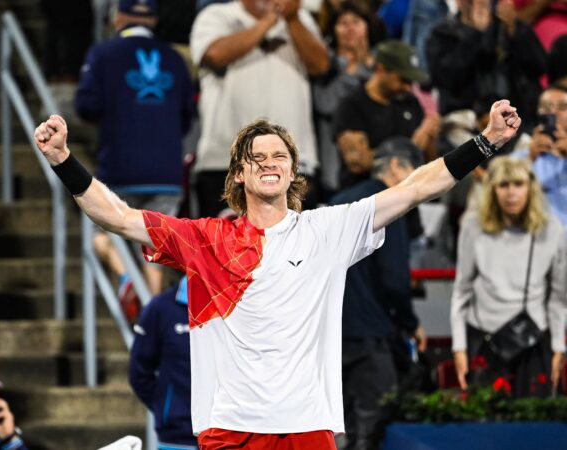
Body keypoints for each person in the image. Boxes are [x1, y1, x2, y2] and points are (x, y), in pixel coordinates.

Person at [34, 98, 521, 449]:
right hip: (229, 427)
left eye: (279, 157)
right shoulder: (204, 239)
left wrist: (485, 142)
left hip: (307, 425)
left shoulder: (328, 229)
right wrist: (61, 158)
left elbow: (414, 188)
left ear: (293, 174)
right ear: (239, 175)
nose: (269, 163)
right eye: (257, 158)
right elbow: (117, 216)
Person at [74, 0, 194, 304]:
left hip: (119, 167)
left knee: (98, 232)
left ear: (119, 18)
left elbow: (86, 107)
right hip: (166, 172)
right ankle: (151, 306)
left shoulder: (102, 53)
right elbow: (188, 116)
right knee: (155, 241)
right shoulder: (175, 60)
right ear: (154, 19)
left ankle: (125, 274)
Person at [190, 0, 330, 216]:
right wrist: (268, 21)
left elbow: (320, 64)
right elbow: (215, 55)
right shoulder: (218, 15)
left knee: (294, 246)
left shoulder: (300, 20)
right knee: (227, 247)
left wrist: (291, 19)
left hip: (292, 163)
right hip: (225, 161)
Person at [330, 137, 427, 450]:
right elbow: (395, 279)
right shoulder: (391, 202)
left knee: (336, 428)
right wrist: (411, 323)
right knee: (375, 428)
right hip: (371, 337)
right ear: (398, 166)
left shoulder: (340, 199)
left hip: (331, 333)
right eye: (418, 171)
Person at [451, 156, 567, 398]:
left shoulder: (553, 230)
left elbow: (558, 297)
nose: (511, 193)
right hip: (483, 336)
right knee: (484, 426)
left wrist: (558, 346)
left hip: (534, 340)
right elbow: (462, 290)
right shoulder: (473, 227)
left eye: (518, 184)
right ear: (492, 190)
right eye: (503, 185)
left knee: (535, 425)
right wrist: (459, 346)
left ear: (530, 188)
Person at [332, 39, 440, 190]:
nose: (408, 87)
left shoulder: (410, 102)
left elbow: (430, 160)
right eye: (403, 79)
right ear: (380, 70)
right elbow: (358, 163)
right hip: (363, 198)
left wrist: (430, 135)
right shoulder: (352, 105)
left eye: (411, 81)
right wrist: (410, 148)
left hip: (405, 193)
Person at [426, 0, 547, 129]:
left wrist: (515, 29)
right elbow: (447, 78)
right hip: (464, 121)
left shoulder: (507, 26)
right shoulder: (442, 34)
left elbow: (540, 66)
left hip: (514, 119)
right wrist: (475, 33)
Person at [313, 0, 386, 196]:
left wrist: (366, 67)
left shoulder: (381, 65)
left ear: (368, 27)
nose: (349, 28)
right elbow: (325, 103)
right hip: (334, 167)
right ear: (334, 30)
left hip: (375, 164)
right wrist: (356, 72)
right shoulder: (325, 63)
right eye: (343, 23)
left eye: (356, 22)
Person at [129, 276, 197, 449]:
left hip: (229, 433)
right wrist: (167, 409)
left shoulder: (237, 304)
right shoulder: (161, 308)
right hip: (177, 437)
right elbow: (139, 371)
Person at [512, 85, 567, 230]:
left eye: (562, 107)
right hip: (536, 242)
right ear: (538, 112)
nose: (553, 111)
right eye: (546, 106)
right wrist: (529, 159)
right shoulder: (518, 160)